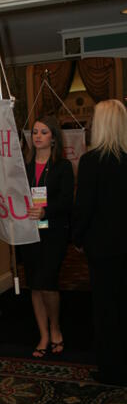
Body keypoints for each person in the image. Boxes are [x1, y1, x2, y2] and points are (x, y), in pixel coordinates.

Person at [73, 99, 127, 386]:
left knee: (106, 309)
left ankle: (111, 370)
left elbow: (84, 207)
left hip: (103, 247)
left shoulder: (92, 161)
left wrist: (77, 238)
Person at [20, 115, 74, 358]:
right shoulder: (24, 167)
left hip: (53, 232)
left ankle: (56, 327)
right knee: (34, 282)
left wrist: (45, 209)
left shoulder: (63, 167)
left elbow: (66, 202)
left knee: (48, 281)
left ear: (53, 138)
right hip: (29, 231)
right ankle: (43, 334)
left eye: (43, 132)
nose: (38, 136)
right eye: (35, 132)